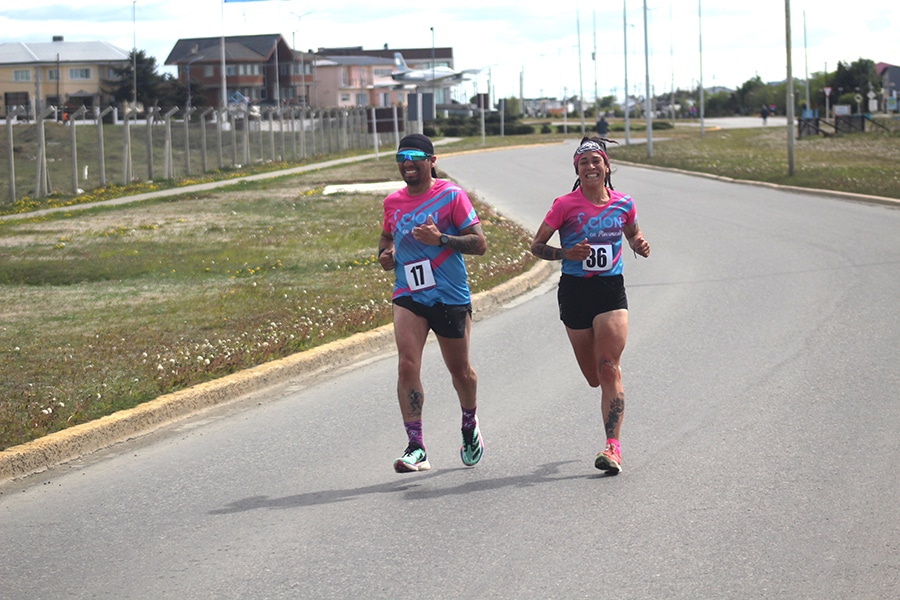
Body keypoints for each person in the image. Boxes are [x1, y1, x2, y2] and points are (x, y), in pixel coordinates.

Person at [529, 136, 650, 474]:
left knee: (608, 366)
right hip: (575, 292)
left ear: (606, 166)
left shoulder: (624, 203)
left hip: (610, 289)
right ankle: (606, 375)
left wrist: (638, 243)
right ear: (577, 170)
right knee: (593, 377)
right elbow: (536, 246)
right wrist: (565, 253)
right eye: (584, 162)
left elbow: (632, 233)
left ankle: (612, 447)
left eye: (597, 161)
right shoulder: (564, 205)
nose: (591, 167)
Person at [378, 133, 488, 473]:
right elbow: (385, 237)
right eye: (401, 157)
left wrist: (439, 239)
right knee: (407, 364)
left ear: (432, 161)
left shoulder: (451, 195)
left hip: (449, 294)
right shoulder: (392, 202)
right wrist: (383, 255)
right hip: (408, 293)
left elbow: (480, 243)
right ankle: (416, 446)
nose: (407, 163)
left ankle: (469, 424)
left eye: (415, 156)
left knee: (461, 372)